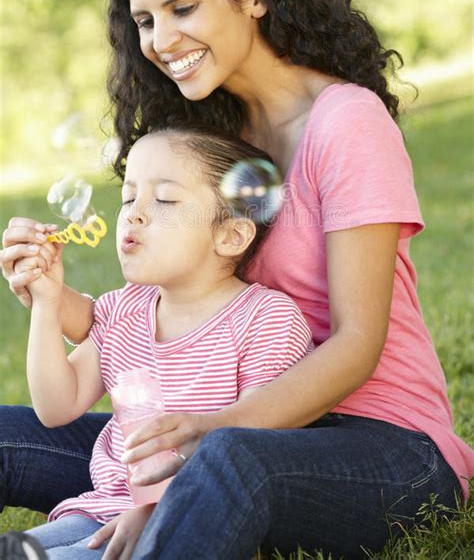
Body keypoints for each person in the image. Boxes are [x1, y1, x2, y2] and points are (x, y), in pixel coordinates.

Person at [1, 0, 472, 560]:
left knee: (229, 460)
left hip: (381, 444)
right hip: (222, 415)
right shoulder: (210, 136)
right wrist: (50, 297)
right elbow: (143, 316)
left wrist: (197, 449)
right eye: (144, 20)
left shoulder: (346, 123)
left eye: (181, 8)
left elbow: (357, 343)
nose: (161, 40)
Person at [13, 125, 314, 559]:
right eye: (128, 198)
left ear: (230, 235)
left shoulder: (265, 320)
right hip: (99, 513)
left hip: (193, 516)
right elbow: (57, 406)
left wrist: (160, 506)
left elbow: (253, 446)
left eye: (166, 199)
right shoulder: (126, 310)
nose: (133, 213)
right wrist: (46, 301)